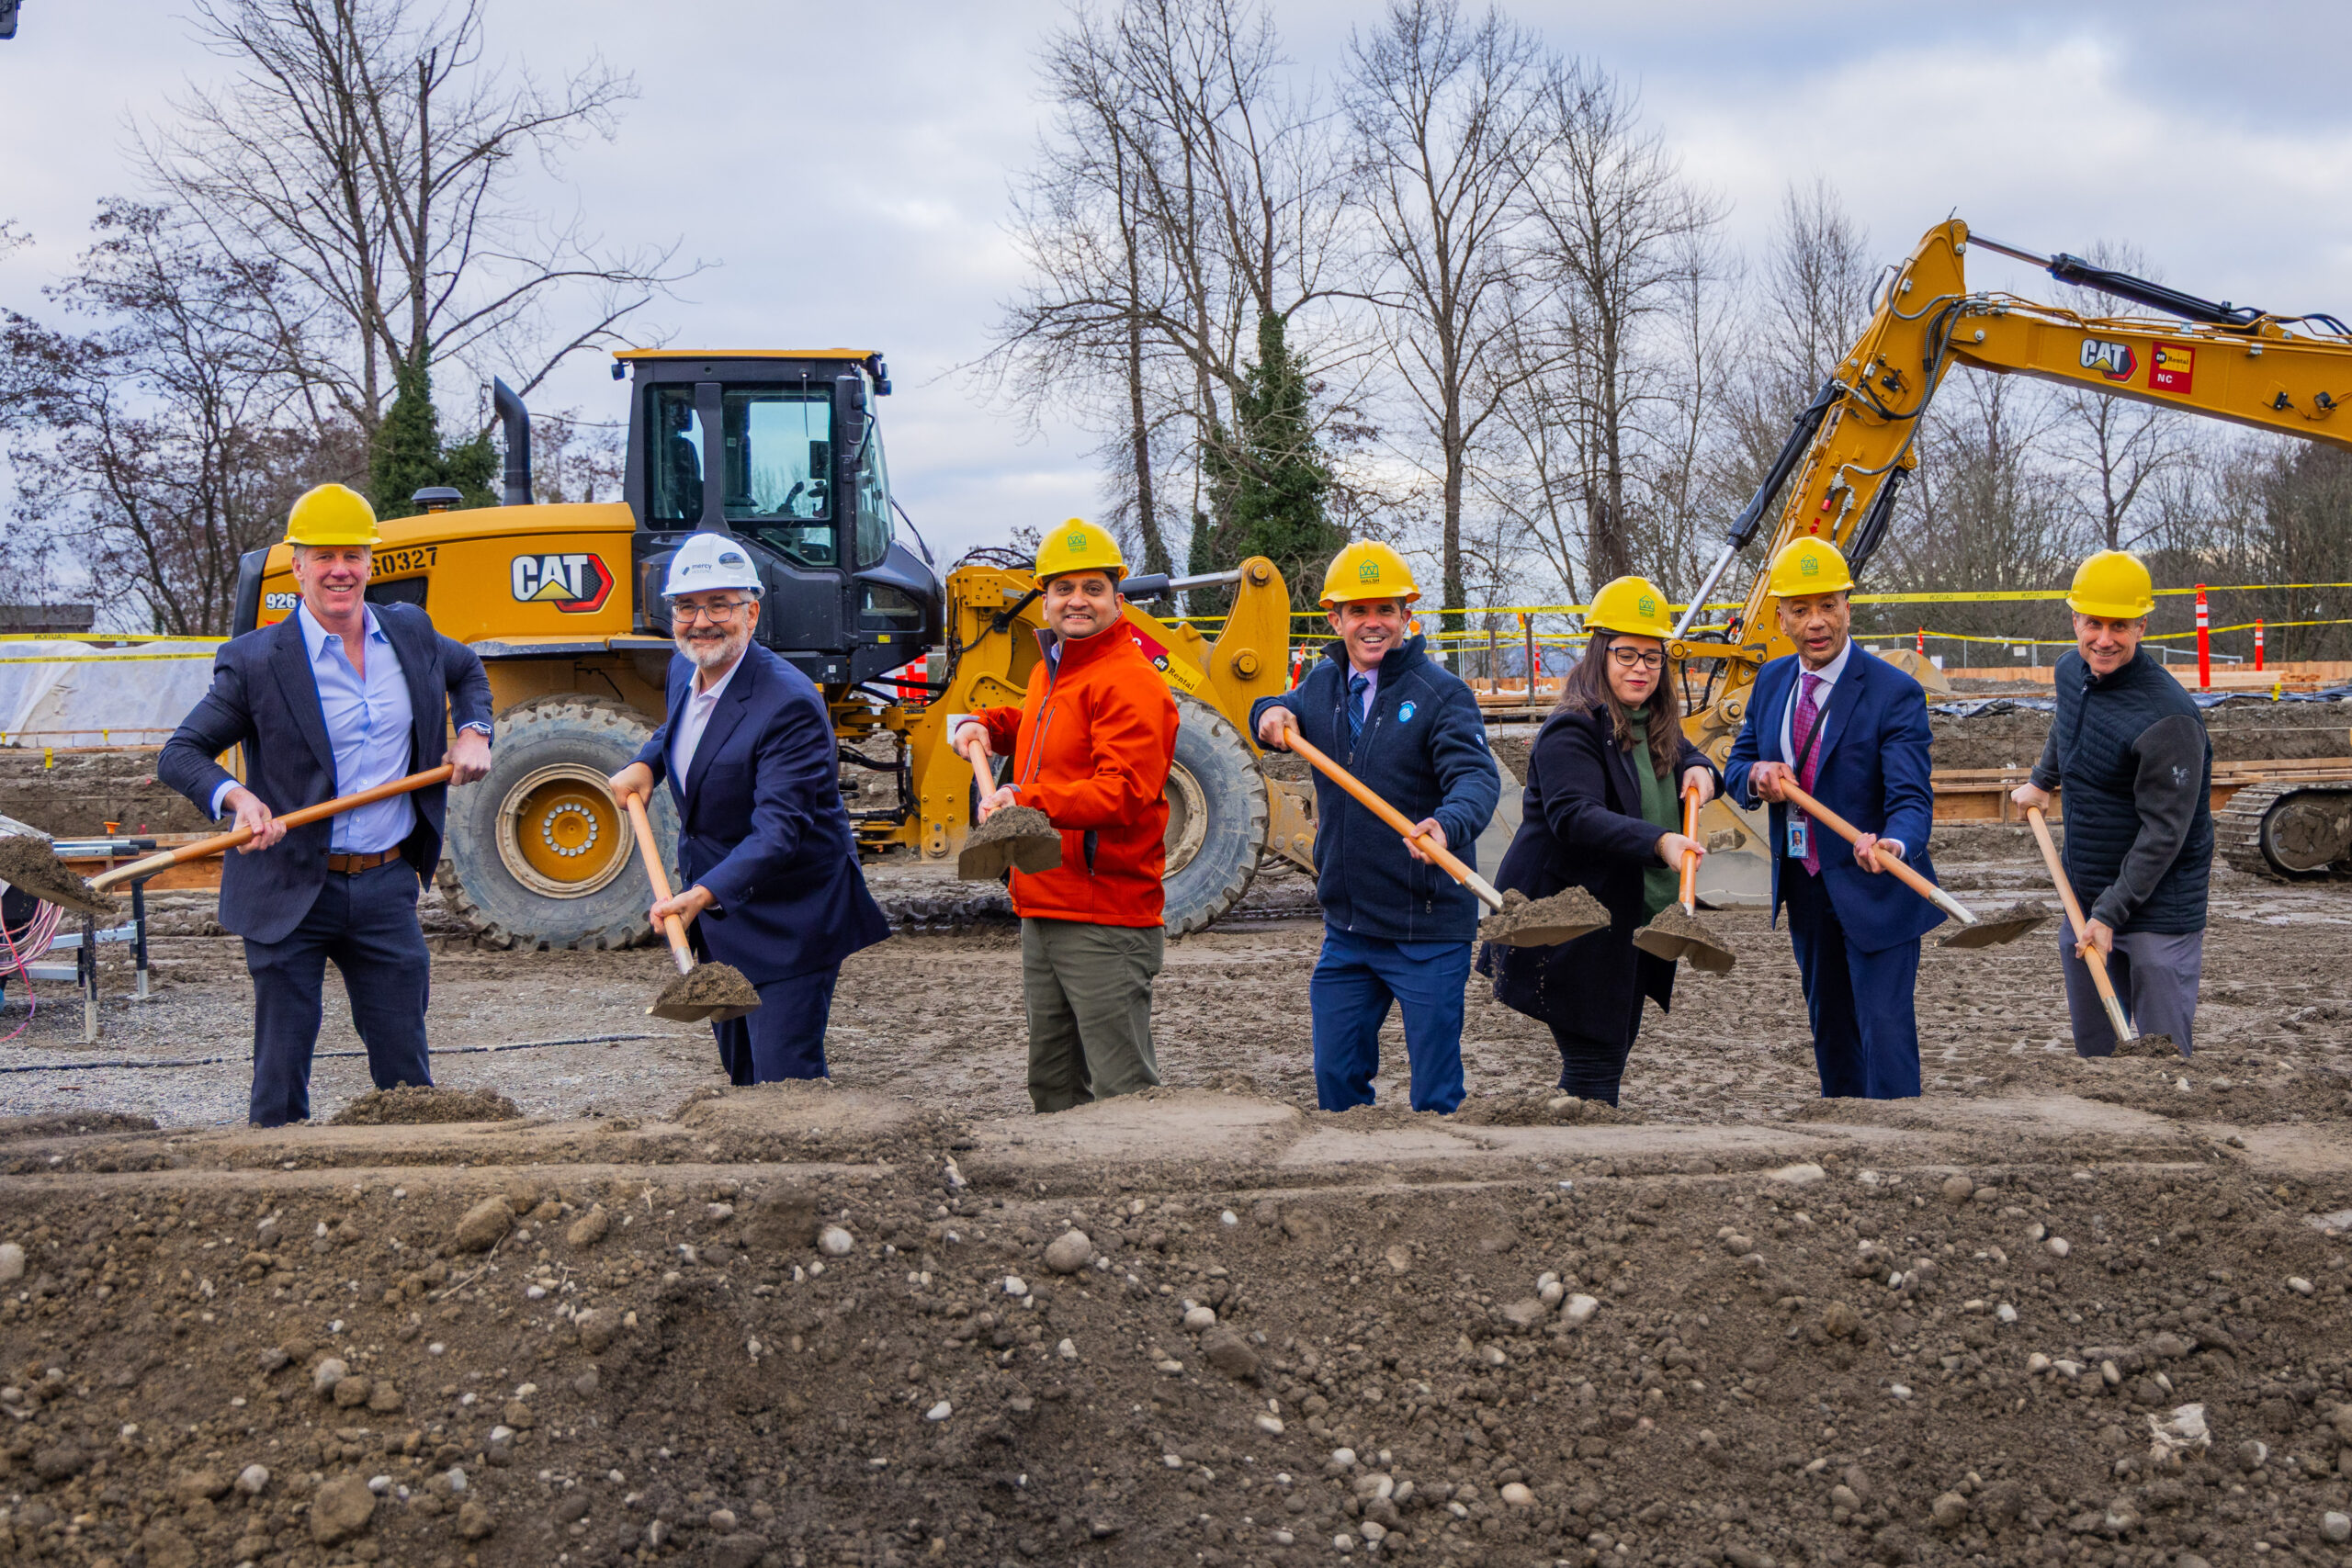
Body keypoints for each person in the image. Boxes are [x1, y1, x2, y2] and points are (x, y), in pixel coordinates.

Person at [158, 483, 492, 1126]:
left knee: (407, 1075)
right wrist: (238, 798)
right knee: (280, 1076)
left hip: (385, 883)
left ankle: (417, 1193)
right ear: (299, 565)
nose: (340, 568)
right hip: (289, 885)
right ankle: (279, 1193)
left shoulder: (411, 632)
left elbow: (468, 670)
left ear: (369, 561)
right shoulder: (256, 660)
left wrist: (475, 730)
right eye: (324, 556)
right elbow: (181, 753)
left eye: (353, 554)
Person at [606, 531, 889, 1084]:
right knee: (741, 1075)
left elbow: (778, 833)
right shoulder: (683, 669)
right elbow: (687, 729)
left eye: (720, 604)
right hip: (722, 918)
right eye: (687, 606)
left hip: (789, 918)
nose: (702, 620)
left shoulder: (788, 704)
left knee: (785, 1083)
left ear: (751, 612)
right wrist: (648, 762)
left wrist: (702, 894)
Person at [1250, 541, 1499, 1113]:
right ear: (1335, 619)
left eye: (1385, 610)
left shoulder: (1443, 695)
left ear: (1406, 616)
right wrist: (1267, 710)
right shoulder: (1321, 687)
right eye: (1358, 611)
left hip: (1427, 930)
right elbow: (1274, 705)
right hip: (1349, 930)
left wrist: (1446, 824)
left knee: (1435, 1096)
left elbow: (1476, 780)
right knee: (1336, 1080)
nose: (1372, 624)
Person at [949, 519, 1177, 1112]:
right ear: (1044, 598)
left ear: (1117, 599)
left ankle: (1140, 1199)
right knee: (1052, 1085)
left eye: (1093, 587)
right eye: (1063, 587)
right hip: (1044, 903)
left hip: (1104, 916)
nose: (1077, 599)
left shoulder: (1130, 681)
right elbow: (1043, 723)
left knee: (1121, 1090)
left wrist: (1027, 799)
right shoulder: (1053, 667)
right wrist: (991, 724)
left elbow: (1123, 793)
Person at [1480, 577, 1716, 1106]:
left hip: (1628, 917)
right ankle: (1579, 1161)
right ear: (1598, 653)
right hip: (1571, 916)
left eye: (1652, 658)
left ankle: (1580, 1145)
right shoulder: (1574, 728)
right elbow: (1575, 816)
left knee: (1609, 1049)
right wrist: (1662, 843)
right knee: (1595, 1055)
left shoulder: (1651, 720)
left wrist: (1702, 770)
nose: (1640, 668)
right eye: (1626, 654)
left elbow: (1684, 752)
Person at [1724, 536, 1940, 1100]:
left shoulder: (1894, 693)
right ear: (1781, 618)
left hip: (1876, 884)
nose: (1817, 622)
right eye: (1801, 610)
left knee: (1884, 1030)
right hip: (1806, 881)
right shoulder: (1771, 682)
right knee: (1831, 1027)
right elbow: (1738, 763)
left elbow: (1913, 801)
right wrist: (1756, 775)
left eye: (1828, 606)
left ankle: (1897, 1139)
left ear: (1849, 606)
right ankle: (1844, 1135)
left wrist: (1895, 845)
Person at [2009, 549, 2211, 1057]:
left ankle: (2174, 1121)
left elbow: (2166, 833)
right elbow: (2069, 723)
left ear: (2141, 626)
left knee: (2160, 1051)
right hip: (2087, 890)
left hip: (2158, 906)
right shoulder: (2070, 671)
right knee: (2099, 1050)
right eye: (2093, 622)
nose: (2103, 638)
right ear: (2074, 619)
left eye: (2118, 625)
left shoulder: (2168, 720)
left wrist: (2111, 913)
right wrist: (2042, 779)